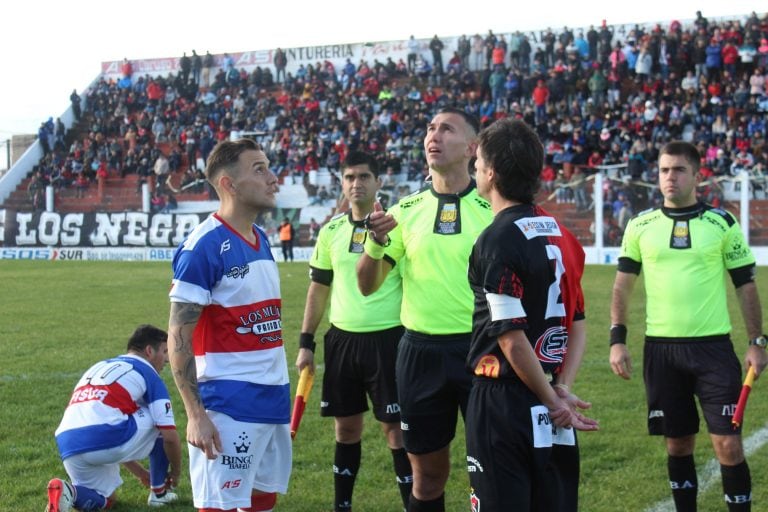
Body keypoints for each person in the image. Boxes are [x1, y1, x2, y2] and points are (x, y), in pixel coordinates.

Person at [609, 141, 767, 512]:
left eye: (679, 170)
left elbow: (745, 285)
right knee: (677, 444)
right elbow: (622, 285)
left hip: (713, 351)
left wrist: (757, 341)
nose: (670, 177)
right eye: (664, 170)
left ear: (697, 176)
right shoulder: (640, 225)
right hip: (661, 352)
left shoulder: (722, 223)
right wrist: (617, 339)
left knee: (727, 444)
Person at [357, 107, 493, 512]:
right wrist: (376, 241)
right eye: (430, 128)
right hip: (419, 355)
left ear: (471, 148)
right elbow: (367, 285)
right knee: (428, 477)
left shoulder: (494, 210)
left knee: (490, 471)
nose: (433, 135)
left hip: (482, 351)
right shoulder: (403, 211)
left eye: (446, 129)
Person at [466, 118, 598, 511]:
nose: (473, 168)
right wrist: (561, 389)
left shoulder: (496, 239)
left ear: (491, 173)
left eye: (477, 162)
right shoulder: (562, 233)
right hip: (552, 391)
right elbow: (577, 321)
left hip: (505, 400)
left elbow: (509, 337)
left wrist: (552, 399)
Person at [167, 138, 291, 512]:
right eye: (260, 169)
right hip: (229, 406)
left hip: (273, 400)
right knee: (220, 505)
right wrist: (195, 415)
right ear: (228, 184)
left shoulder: (262, 239)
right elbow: (178, 336)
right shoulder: (203, 246)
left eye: (269, 167)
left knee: (261, 501)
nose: (273, 178)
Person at [295, 151, 412, 512]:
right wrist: (306, 342)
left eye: (363, 177)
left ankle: (413, 504)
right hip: (342, 341)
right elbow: (318, 289)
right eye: (349, 178)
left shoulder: (396, 228)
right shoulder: (331, 231)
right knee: (345, 430)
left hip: (388, 340)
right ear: (342, 185)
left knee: (394, 430)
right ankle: (341, 505)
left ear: (378, 182)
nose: (356, 184)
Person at [47, 325, 182, 512]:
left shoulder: (100, 365)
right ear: (149, 351)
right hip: (104, 435)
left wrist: (140, 472)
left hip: (67, 442)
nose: (167, 359)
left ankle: (69, 491)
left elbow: (102, 420)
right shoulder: (149, 373)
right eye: (165, 351)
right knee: (159, 417)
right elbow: (169, 437)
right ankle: (159, 493)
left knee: (106, 501)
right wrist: (175, 474)